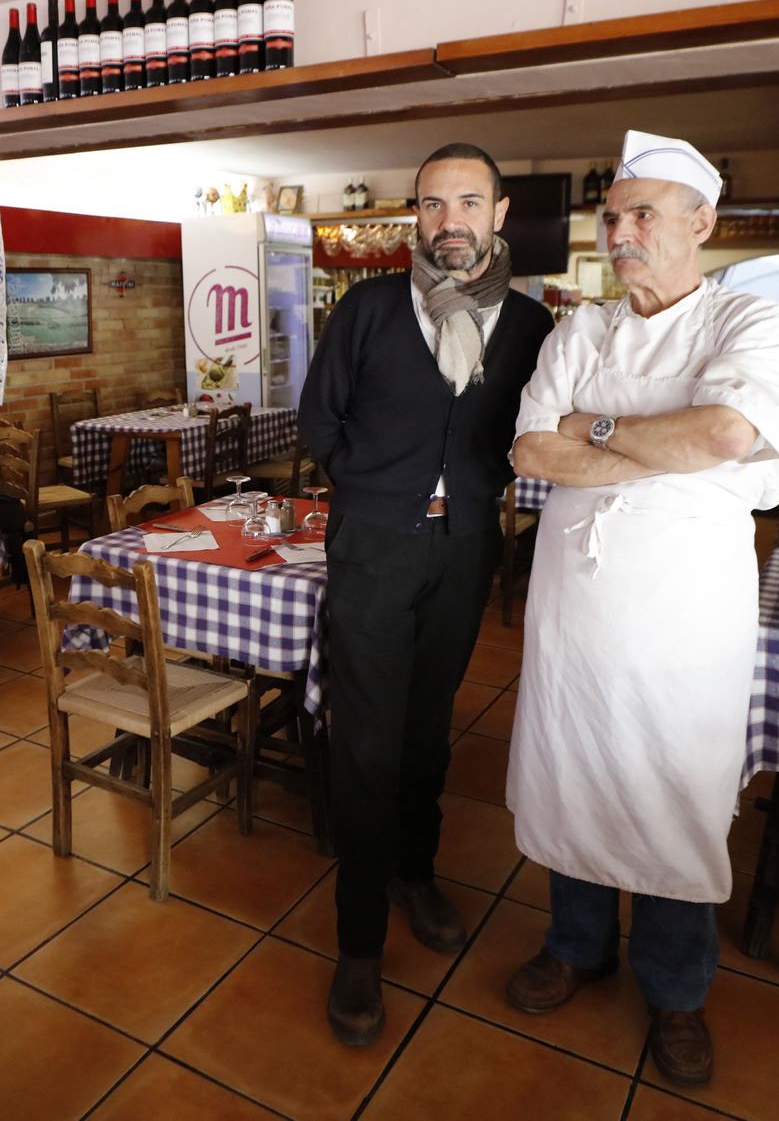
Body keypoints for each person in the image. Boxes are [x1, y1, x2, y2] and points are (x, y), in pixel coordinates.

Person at [504, 129, 779, 1086]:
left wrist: (596, 430)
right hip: (575, 611)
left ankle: (675, 989)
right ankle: (576, 942)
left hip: (686, 622)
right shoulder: (578, 331)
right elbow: (531, 452)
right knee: (573, 768)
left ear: (701, 222)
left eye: (643, 213)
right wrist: (659, 451)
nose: (621, 230)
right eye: (614, 214)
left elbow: (724, 427)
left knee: (676, 789)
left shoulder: (748, 323)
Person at [299, 142, 554, 1046]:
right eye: (435, 203)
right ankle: (359, 944)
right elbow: (317, 419)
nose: (452, 219)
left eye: (469, 201)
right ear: (417, 214)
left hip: (463, 549)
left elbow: (540, 428)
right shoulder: (368, 308)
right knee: (365, 744)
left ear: (499, 211)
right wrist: (373, 487)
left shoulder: (527, 325)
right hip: (372, 548)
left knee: (428, 729)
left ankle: (416, 870)